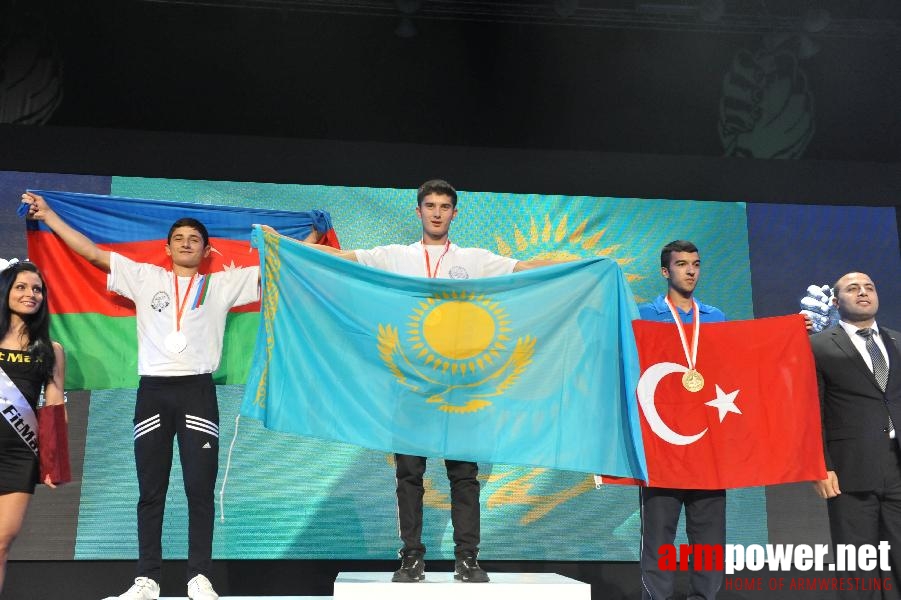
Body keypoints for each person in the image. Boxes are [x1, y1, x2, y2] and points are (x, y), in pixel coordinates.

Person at [278, 179, 562, 584]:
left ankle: (468, 558)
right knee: (409, 474)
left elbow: (525, 269)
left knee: (464, 474)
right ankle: (411, 557)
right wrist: (283, 246)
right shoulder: (396, 256)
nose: (436, 212)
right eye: (429, 205)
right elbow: (340, 257)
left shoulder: (474, 260)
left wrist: (586, 266)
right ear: (418, 211)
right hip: (410, 383)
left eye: (444, 206)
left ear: (454, 213)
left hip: (460, 384)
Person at [22, 192, 261, 600]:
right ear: (167, 248)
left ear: (207, 251)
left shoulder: (222, 284)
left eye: (195, 239)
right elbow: (94, 254)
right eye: (179, 238)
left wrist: (306, 238)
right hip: (153, 392)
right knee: (150, 491)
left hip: (197, 392)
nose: (187, 243)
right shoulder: (145, 277)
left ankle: (199, 577)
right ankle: (147, 579)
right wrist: (50, 216)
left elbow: (276, 265)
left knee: (199, 489)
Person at [637, 240, 726, 600]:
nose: (691, 271)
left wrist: (793, 331)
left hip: (707, 448)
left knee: (709, 546)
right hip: (661, 448)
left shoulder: (716, 318)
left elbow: (739, 367)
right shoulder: (643, 315)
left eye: (696, 264)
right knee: (660, 543)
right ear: (665, 271)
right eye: (682, 264)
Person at [811, 272, 901, 598]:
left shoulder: (897, 341)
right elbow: (813, 412)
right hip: (849, 471)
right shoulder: (818, 345)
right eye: (853, 289)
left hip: (897, 466)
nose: (863, 293)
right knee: (857, 569)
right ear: (836, 302)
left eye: (869, 288)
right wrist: (821, 465)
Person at [0, 259, 67, 595]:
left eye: (37, 289)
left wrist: (53, 464)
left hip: (18, 456)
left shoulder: (50, 350)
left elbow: (54, 408)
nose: (30, 294)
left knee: (1, 542)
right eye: (21, 287)